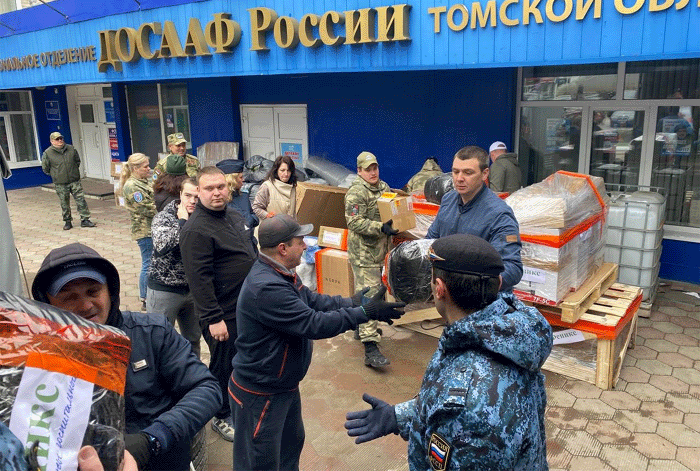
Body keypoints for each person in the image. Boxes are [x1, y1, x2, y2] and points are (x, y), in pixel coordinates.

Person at [345, 234, 552, 471]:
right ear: (498, 282)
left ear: (439, 288)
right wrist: (399, 416)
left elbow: (463, 411)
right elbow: (451, 403)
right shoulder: (502, 329)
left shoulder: (468, 412)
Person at [230, 214, 406, 471]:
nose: (305, 246)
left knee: (290, 447)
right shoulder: (266, 287)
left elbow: (312, 301)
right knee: (259, 462)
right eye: (300, 241)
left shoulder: (282, 273)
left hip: (283, 386)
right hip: (260, 393)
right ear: (283, 248)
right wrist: (364, 313)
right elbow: (313, 324)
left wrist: (353, 302)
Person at [31, 242, 221, 471]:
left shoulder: (153, 332)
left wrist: (152, 439)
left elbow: (207, 389)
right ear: (48, 304)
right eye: (69, 297)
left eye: (93, 291)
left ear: (110, 292)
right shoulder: (36, 358)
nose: (85, 305)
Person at [180, 166, 258, 442]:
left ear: (228, 188)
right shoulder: (195, 230)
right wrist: (213, 319)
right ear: (199, 192)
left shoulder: (234, 215)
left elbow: (251, 251)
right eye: (209, 188)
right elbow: (198, 280)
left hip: (246, 307)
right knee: (224, 364)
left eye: (220, 187)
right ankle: (221, 414)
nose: (216, 193)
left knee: (244, 360)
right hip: (222, 314)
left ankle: (240, 400)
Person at [427, 146, 522, 291]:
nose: (459, 178)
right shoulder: (448, 200)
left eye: (468, 172)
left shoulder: (499, 214)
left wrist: (477, 283)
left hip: (480, 298)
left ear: (485, 174)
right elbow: (430, 241)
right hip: (447, 293)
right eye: (455, 171)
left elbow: (512, 268)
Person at [344, 151, 398, 368]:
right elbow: (353, 222)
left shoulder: (384, 188)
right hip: (364, 252)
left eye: (375, 168)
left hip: (381, 251)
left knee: (373, 292)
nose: (373, 172)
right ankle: (370, 347)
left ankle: (360, 325)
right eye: (368, 169)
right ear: (359, 171)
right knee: (370, 296)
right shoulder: (356, 193)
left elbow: (392, 210)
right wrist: (380, 227)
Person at [148, 177, 202, 358]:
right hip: (165, 289)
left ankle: (192, 372)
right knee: (158, 341)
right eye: (188, 195)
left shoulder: (204, 217)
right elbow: (161, 245)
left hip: (192, 290)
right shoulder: (164, 217)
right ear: (180, 195)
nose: (192, 201)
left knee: (193, 340)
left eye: (197, 196)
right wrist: (183, 223)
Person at [120, 152, 156, 311]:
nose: (149, 169)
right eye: (145, 166)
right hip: (144, 230)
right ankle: (145, 298)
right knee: (148, 263)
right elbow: (145, 208)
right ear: (135, 168)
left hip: (151, 227)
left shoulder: (143, 181)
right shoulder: (133, 186)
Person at [40, 131, 96, 230]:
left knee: (81, 200)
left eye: (61, 138)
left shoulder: (71, 149)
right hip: (60, 183)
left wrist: (73, 172)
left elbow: (77, 161)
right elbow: (45, 168)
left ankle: (85, 220)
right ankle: (67, 221)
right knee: (64, 202)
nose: (60, 140)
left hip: (74, 180)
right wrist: (56, 174)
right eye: (57, 139)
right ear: (52, 141)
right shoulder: (48, 153)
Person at [252, 154, 298, 221]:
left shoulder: (293, 188)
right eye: (282, 170)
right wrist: (267, 216)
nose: (286, 174)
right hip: (271, 227)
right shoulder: (267, 186)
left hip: (289, 226)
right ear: (276, 171)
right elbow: (256, 207)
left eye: (288, 170)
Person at [217, 158, 259, 230]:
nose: (243, 180)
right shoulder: (219, 199)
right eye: (241, 177)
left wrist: (250, 220)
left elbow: (254, 217)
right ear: (232, 180)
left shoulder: (244, 196)